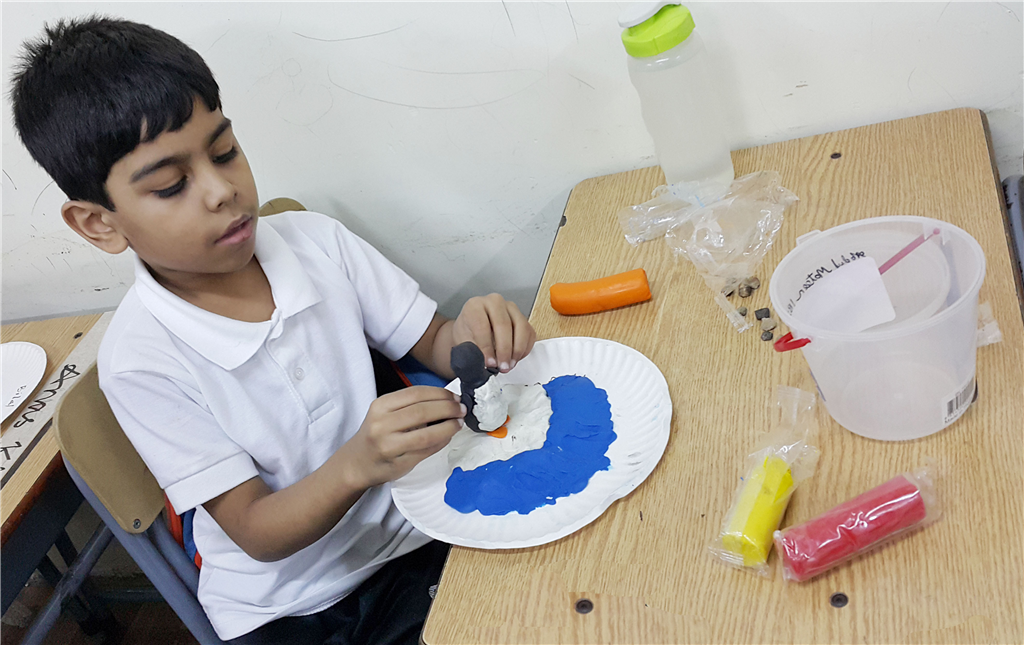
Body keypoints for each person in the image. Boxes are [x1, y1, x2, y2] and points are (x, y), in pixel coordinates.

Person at [10, 16, 536, 644]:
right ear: (100, 223)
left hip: (414, 526)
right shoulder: (141, 360)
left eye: (225, 152)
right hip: (296, 605)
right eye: (171, 186)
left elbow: (439, 343)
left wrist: (476, 335)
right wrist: (357, 464)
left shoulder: (318, 243)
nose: (222, 191)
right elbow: (256, 531)